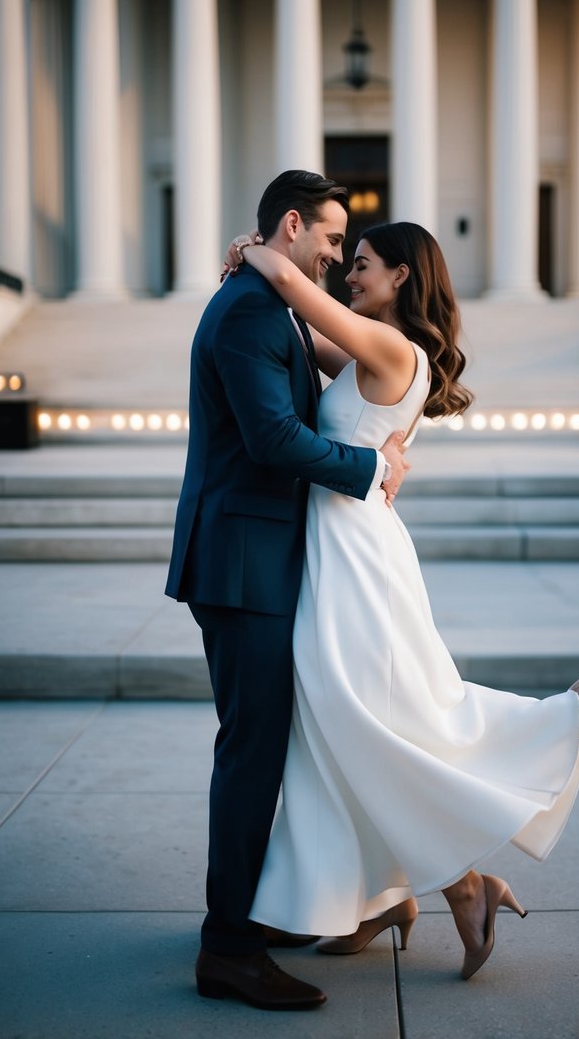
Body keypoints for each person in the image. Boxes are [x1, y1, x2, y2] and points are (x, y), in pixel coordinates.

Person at [224, 219, 579, 983]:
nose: (347, 274)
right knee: (352, 724)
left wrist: (253, 252)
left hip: (355, 555)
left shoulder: (390, 348)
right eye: (346, 262)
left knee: (373, 721)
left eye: (360, 265)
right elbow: (299, 338)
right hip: (346, 548)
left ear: (400, 276)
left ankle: (568, 719)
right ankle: (385, 899)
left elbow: (293, 289)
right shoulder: (375, 346)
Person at [165, 171, 410, 1012]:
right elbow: (272, 440)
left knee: (260, 750)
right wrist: (373, 468)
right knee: (251, 756)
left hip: (257, 557)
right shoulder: (246, 313)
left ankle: (248, 919)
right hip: (241, 562)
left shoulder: (266, 305)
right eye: (335, 241)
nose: (340, 256)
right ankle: (228, 950)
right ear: (296, 226)